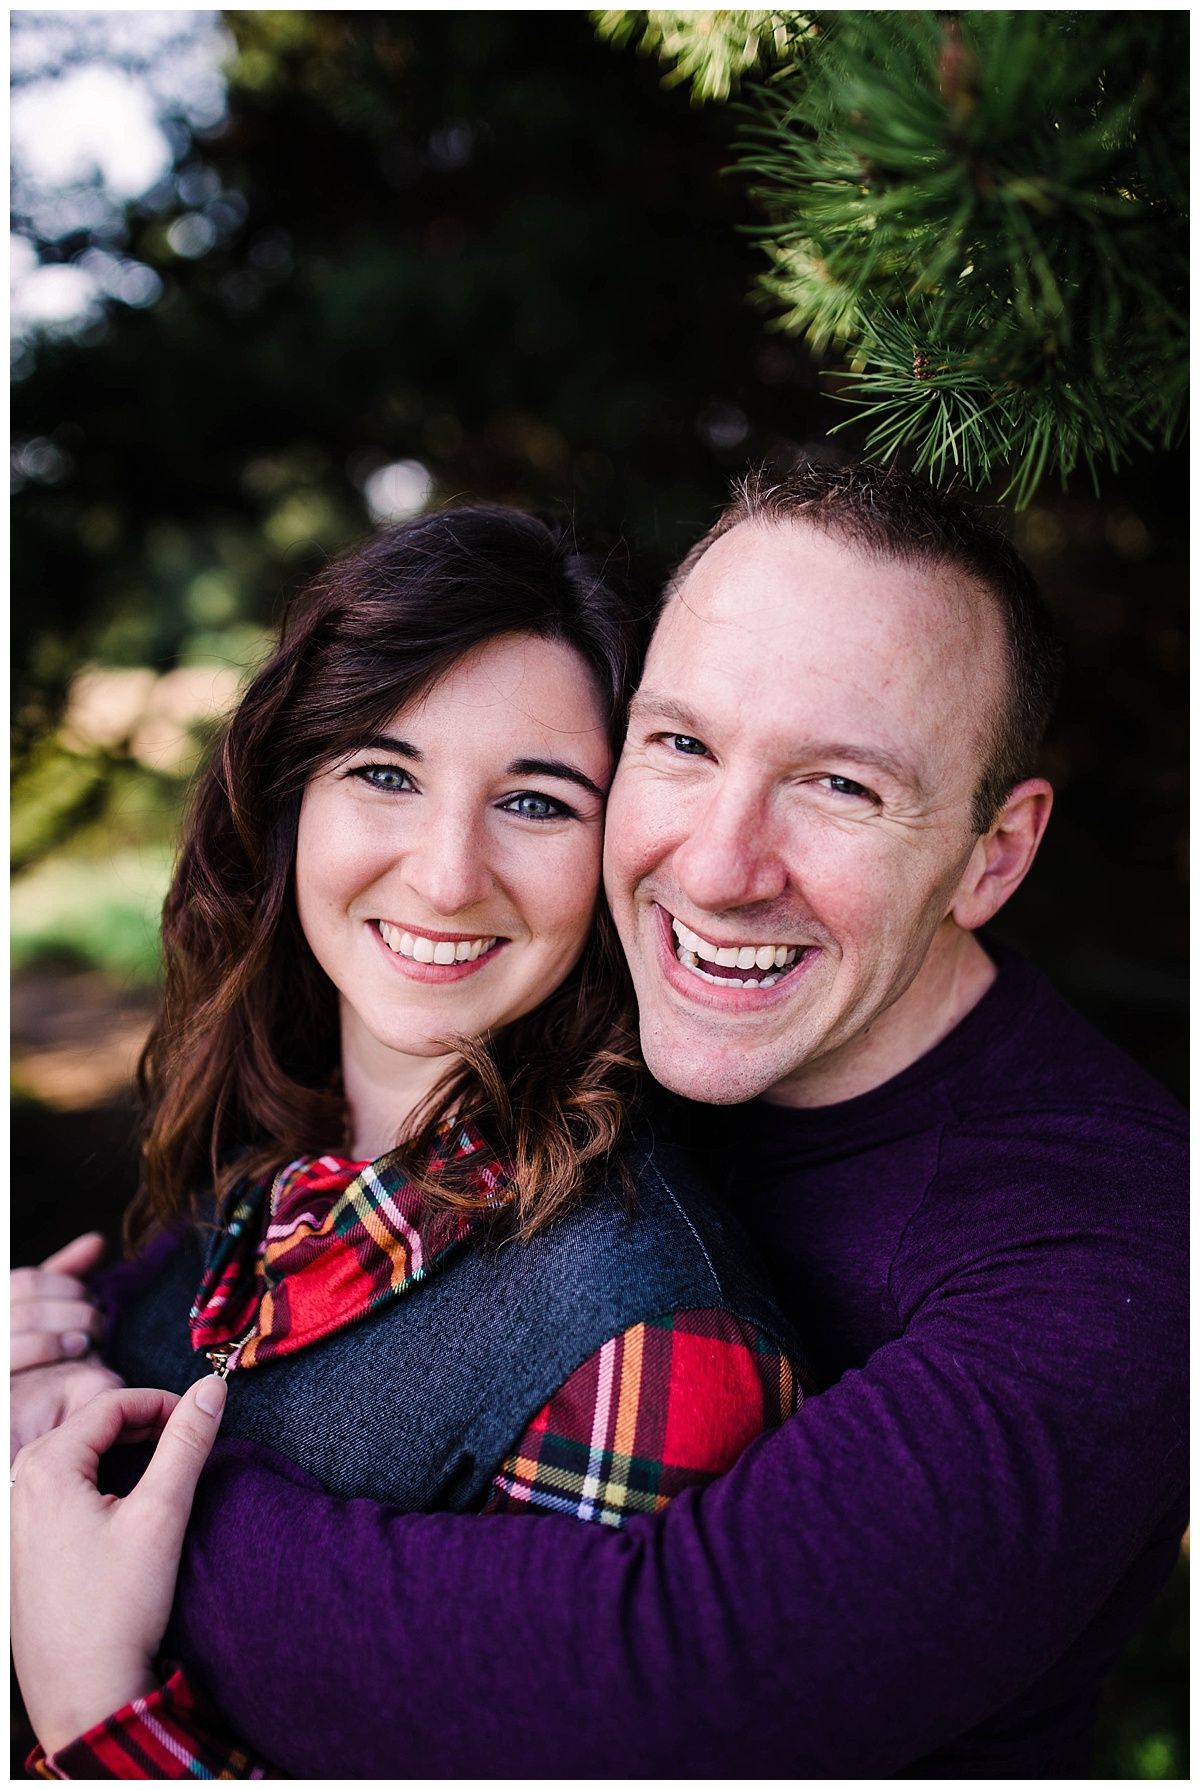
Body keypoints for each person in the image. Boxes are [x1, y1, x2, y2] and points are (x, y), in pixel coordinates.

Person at [12, 462, 1187, 1779]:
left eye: (841, 786)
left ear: (995, 854)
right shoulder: (570, 1045)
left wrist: (99, 1478)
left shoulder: (1111, 1247)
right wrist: (70, 1341)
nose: (716, 867)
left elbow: (655, 1681)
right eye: (681, 744)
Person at [10, 502, 809, 1772]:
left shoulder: (650, 1346)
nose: (446, 873)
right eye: (385, 773)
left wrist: (94, 1719)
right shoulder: (257, 1168)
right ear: (290, 799)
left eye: (538, 802)